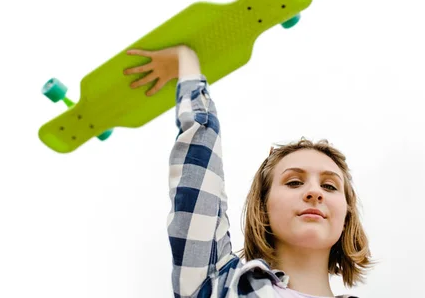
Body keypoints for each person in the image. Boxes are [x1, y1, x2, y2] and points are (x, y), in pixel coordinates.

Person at [124, 45, 373, 298]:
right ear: (263, 207)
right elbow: (199, 178)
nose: (314, 192)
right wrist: (187, 63)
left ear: (347, 216)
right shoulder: (220, 286)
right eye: (294, 182)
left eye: (329, 186)